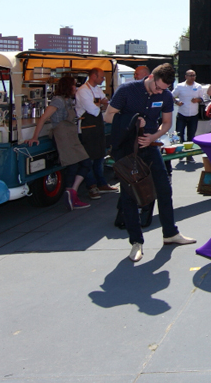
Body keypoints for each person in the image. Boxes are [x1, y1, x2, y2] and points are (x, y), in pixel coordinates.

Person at [105, 63, 195, 262]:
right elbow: (108, 116)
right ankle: (136, 243)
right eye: (158, 87)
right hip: (128, 150)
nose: (159, 92)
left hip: (151, 146)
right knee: (129, 196)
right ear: (151, 77)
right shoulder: (127, 90)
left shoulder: (165, 95)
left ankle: (170, 233)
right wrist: (134, 120)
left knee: (164, 189)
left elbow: (167, 123)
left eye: (164, 89)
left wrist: (154, 135)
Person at [27, 75, 94, 208]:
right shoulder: (58, 100)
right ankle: (71, 194)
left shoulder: (68, 100)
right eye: (74, 85)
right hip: (62, 136)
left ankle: (72, 191)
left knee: (86, 163)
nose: (76, 87)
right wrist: (35, 137)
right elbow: (43, 118)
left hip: (71, 135)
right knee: (72, 165)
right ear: (68, 87)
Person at [74, 68, 116, 196]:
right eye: (101, 77)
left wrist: (101, 104)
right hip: (86, 129)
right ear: (93, 76)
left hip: (97, 126)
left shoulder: (97, 89)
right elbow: (93, 110)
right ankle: (91, 186)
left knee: (99, 157)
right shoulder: (83, 91)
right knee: (89, 159)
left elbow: (106, 104)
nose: (103, 79)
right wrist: (101, 104)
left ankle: (101, 183)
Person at [172, 69, 205, 146]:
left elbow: (202, 99)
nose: (192, 77)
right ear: (186, 76)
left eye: (194, 75)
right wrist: (177, 102)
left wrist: (197, 100)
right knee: (179, 134)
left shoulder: (198, 86)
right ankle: (180, 153)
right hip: (182, 114)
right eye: (190, 75)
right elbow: (171, 96)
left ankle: (189, 155)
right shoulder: (180, 86)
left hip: (193, 115)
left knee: (191, 136)